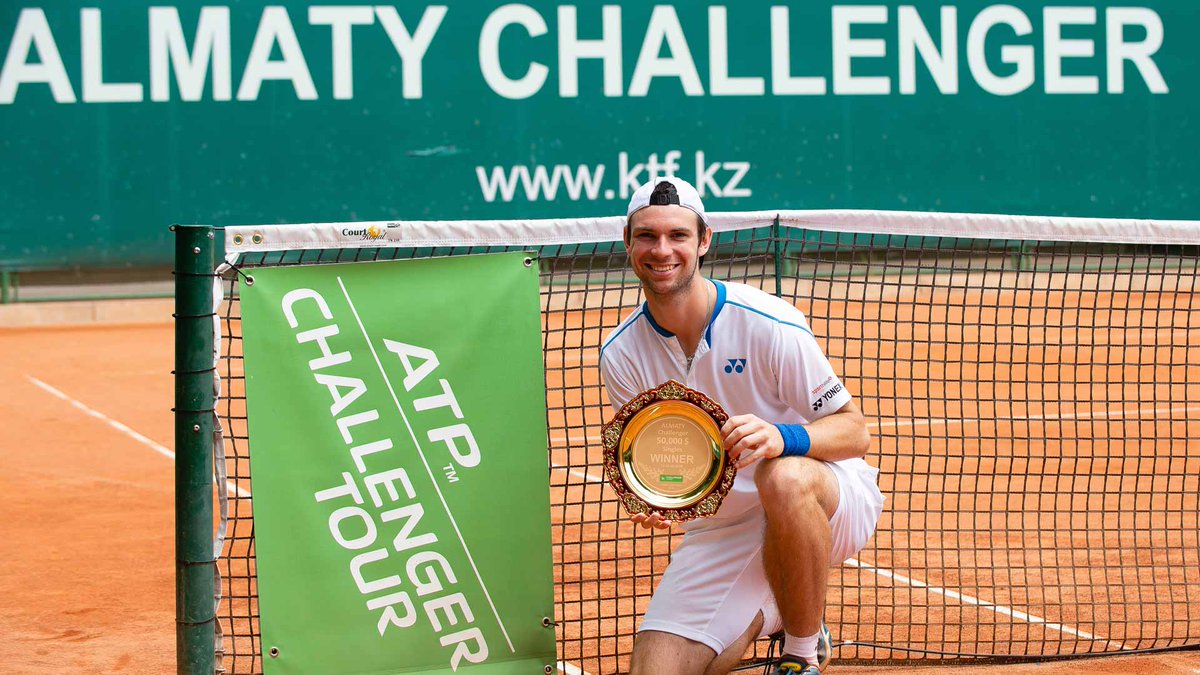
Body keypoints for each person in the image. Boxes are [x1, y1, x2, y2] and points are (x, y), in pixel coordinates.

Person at [598, 177, 885, 675]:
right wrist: (653, 500)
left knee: (782, 474)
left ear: (704, 240)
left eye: (677, 235)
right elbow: (650, 456)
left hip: (826, 499)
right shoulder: (620, 355)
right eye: (646, 236)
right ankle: (778, 603)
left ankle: (800, 654)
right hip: (722, 528)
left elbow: (854, 431)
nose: (661, 249)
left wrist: (783, 438)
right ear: (627, 243)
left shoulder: (769, 323)